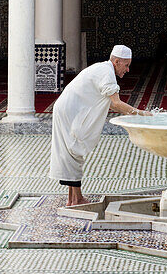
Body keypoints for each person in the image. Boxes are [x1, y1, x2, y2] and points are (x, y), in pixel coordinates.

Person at [49, 44, 149, 206]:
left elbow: (108, 102)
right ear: (116, 61)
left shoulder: (104, 69)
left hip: (68, 109)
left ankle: (73, 198)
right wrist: (141, 114)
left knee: (71, 152)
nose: (128, 70)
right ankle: (76, 199)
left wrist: (133, 114)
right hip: (70, 111)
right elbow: (115, 104)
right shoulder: (106, 72)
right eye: (126, 65)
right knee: (73, 150)